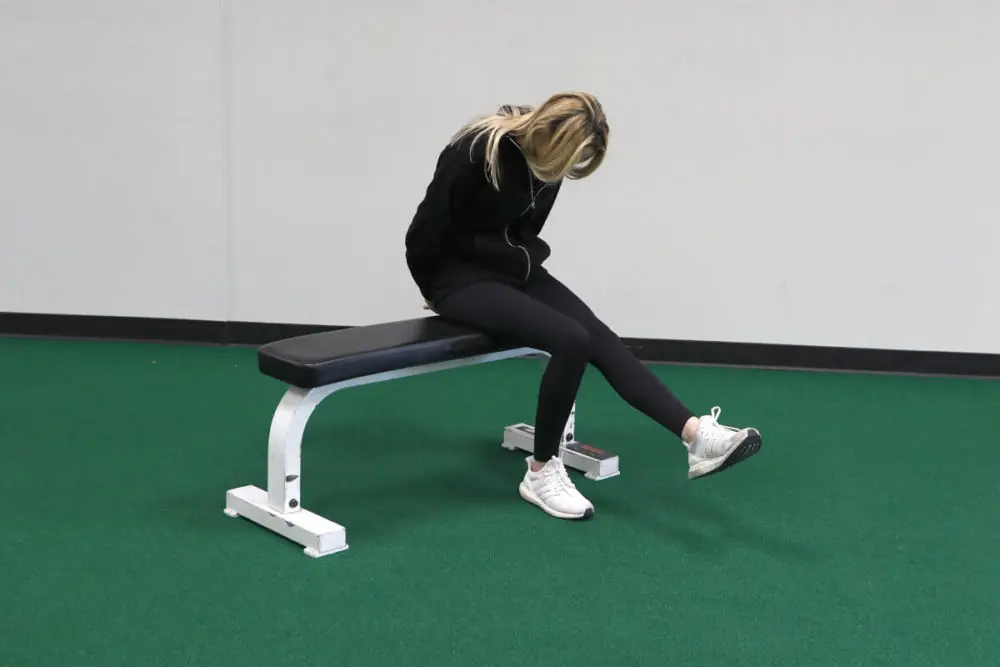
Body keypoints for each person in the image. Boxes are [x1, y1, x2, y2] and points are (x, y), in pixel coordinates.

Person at [404, 92, 761, 520]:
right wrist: (435, 289)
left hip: (513, 271)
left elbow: (523, 230)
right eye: (570, 158)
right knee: (570, 339)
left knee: (599, 337)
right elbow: (424, 229)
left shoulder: (550, 164)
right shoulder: (478, 150)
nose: (567, 169)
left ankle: (695, 436)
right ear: (550, 137)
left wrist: (519, 270)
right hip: (458, 280)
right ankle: (540, 471)